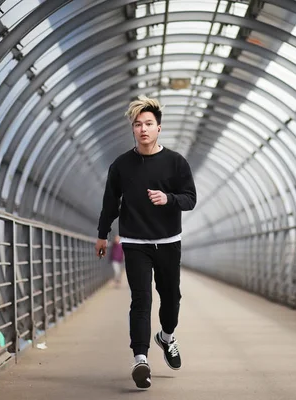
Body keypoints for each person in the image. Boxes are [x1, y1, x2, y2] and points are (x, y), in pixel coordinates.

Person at [95, 95, 197, 389]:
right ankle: (140, 358)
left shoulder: (176, 162)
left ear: (159, 128)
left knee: (171, 299)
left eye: (149, 124)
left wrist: (169, 199)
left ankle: (166, 337)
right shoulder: (121, 166)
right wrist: (102, 234)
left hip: (168, 241)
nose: (143, 129)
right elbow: (110, 203)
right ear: (133, 129)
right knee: (141, 300)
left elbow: (190, 199)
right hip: (134, 241)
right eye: (138, 124)